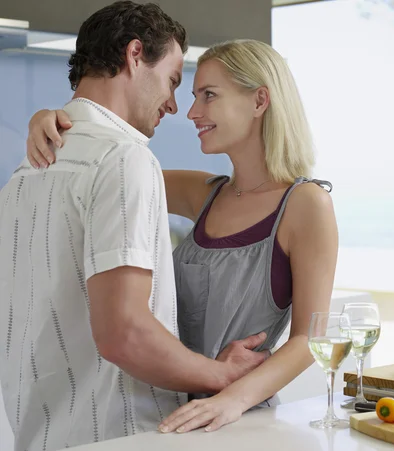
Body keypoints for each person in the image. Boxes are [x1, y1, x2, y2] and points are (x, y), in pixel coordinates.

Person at [26, 39, 339, 433]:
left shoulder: (307, 205)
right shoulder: (204, 193)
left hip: (235, 422)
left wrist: (232, 399)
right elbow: (102, 173)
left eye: (208, 96)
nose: (191, 112)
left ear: (260, 101)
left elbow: (310, 338)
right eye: (193, 96)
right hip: (158, 415)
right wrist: (52, 120)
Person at [0, 3, 267, 451]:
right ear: (135, 54)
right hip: (121, 436)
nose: (175, 105)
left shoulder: (28, 169)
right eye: (173, 81)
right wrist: (223, 375)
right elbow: (125, 332)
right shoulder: (124, 158)